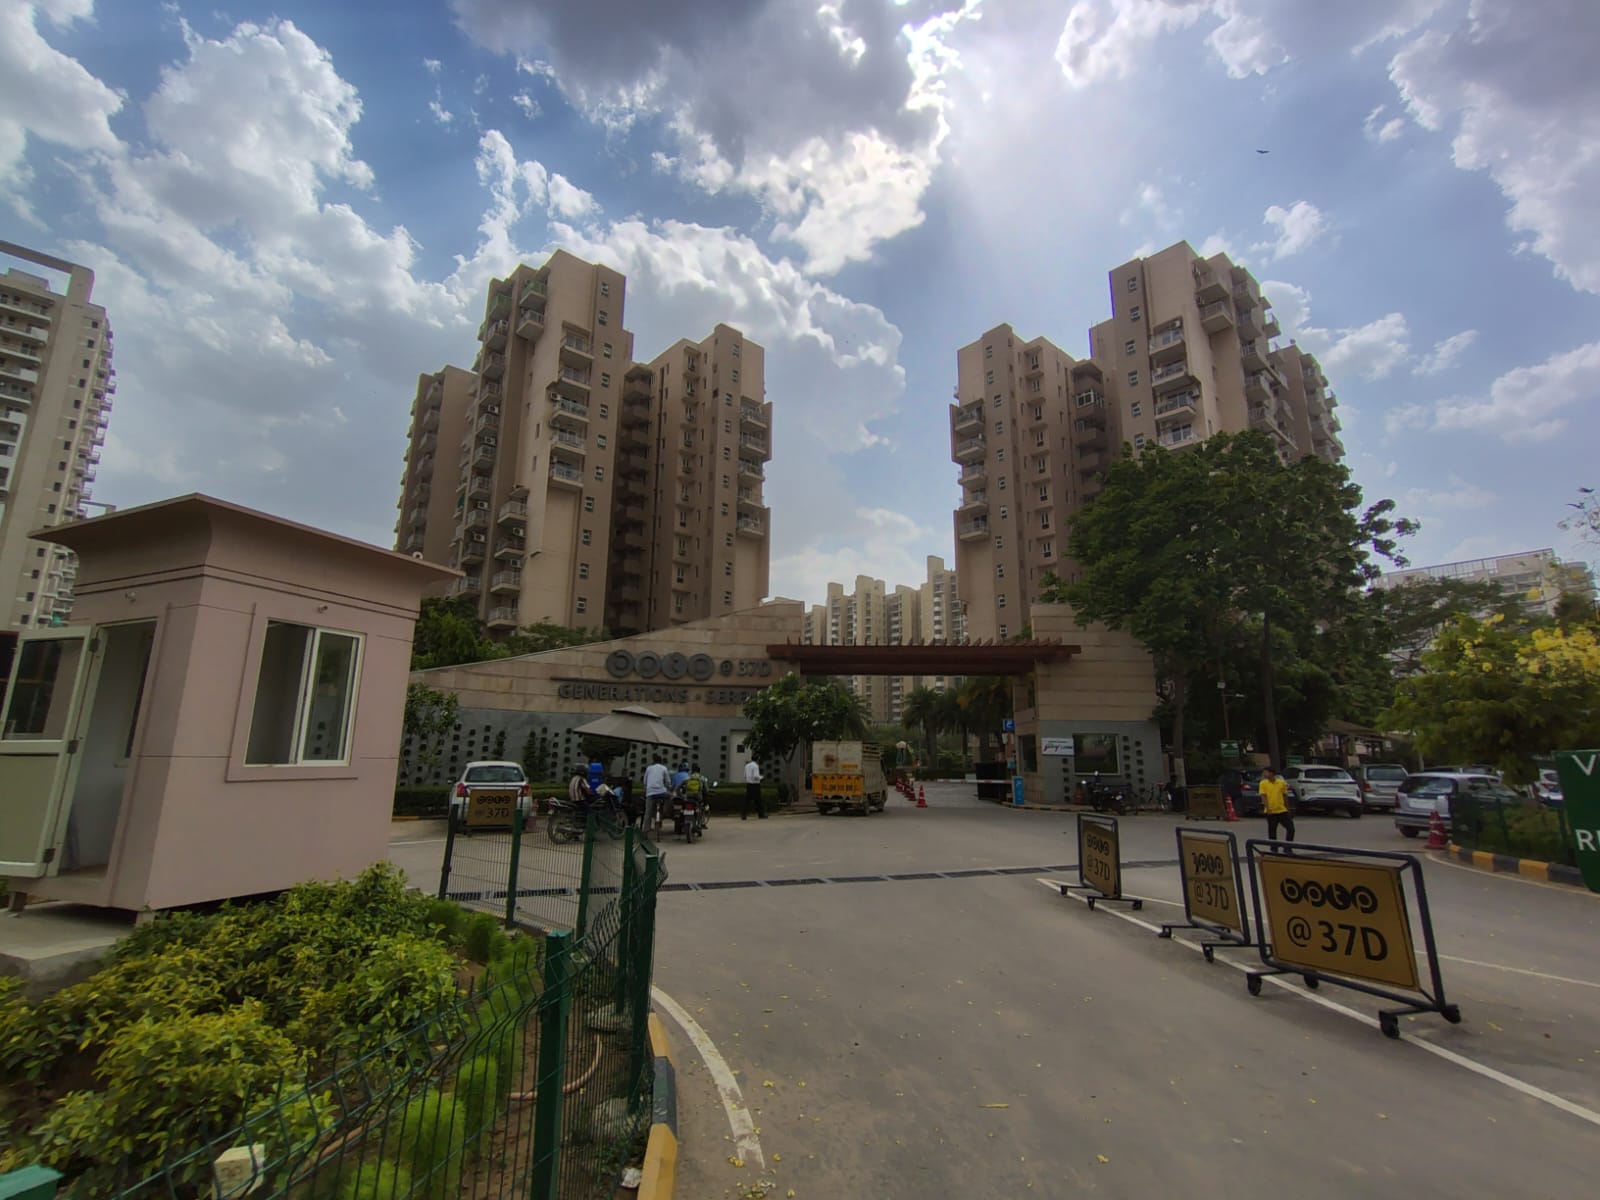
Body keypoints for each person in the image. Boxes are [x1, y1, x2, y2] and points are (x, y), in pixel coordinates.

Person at [1259, 766, 1294, 845]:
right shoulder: (1263, 783)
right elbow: (1263, 796)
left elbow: (1285, 795)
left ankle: (1288, 847)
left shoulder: (1281, 783)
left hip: (1282, 810)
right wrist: (1267, 808)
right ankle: (1274, 848)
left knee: (1290, 829)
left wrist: (1288, 808)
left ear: (1271, 773)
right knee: (1272, 831)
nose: (1264, 774)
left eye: (1266, 772)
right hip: (1271, 811)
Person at [643, 756, 671, 834]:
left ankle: (646, 830)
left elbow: (645, 782)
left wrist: (646, 791)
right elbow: (668, 782)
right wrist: (669, 787)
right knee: (670, 797)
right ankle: (665, 812)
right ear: (661, 761)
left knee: (647, 812)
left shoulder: (648, 768)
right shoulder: (664, 768)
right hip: (661, 792)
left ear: (653, 761)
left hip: (650, 793)